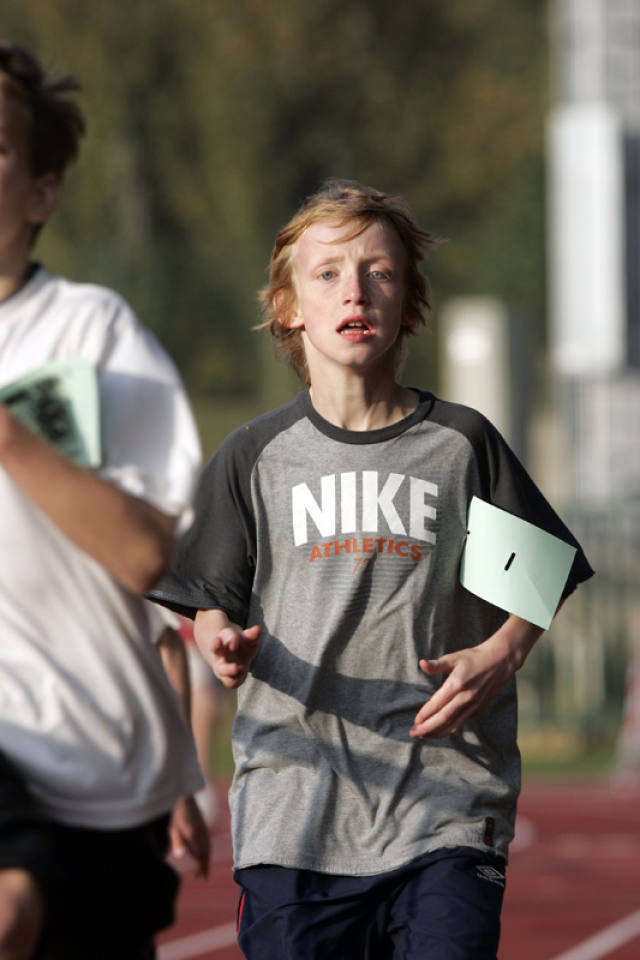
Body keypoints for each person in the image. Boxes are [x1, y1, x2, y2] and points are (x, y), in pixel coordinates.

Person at [149, 179, 594, 960]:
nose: (355, 290)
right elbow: (212, 600)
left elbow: (537, 577)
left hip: (447, 802)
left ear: (408, 300)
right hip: (296, 808)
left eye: (379, 272)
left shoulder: (459, 444)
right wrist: (221, 643)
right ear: (289, 307)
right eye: (328, 273)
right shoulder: (255, 455)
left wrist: (503, 651)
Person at [0, 43, 208, 960]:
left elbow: (148, 558)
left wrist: (11, 438)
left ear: (40, 193)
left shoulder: (92, 334)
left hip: (95, 766)